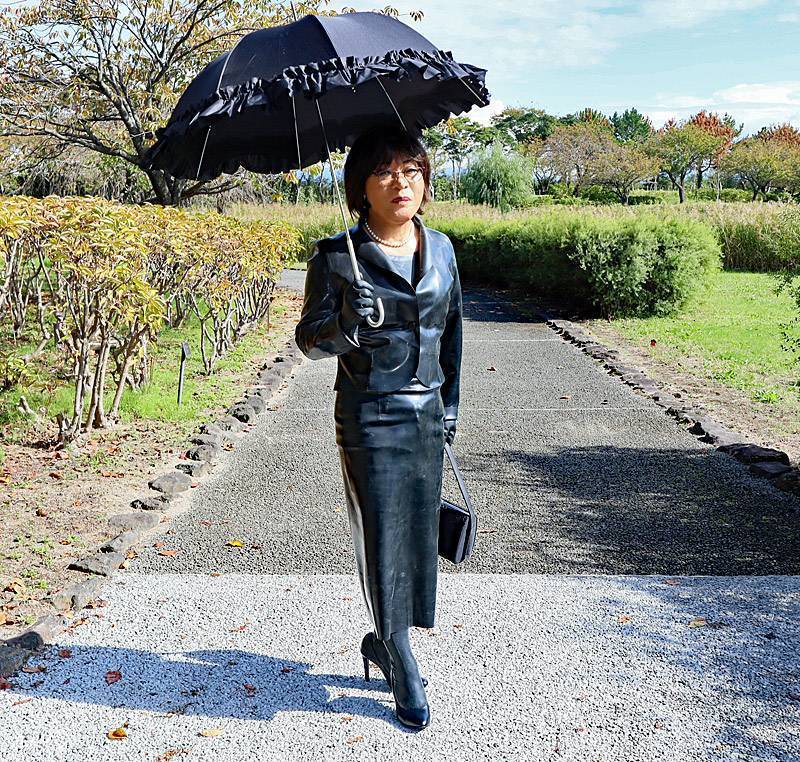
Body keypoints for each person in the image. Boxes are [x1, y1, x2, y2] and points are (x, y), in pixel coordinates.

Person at [294, 124, 463, 730]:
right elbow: (308, 341)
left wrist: (450, 407)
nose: (401, 183)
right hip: (369, 415)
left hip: (426, 412)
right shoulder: (336, 256)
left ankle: (386, 639)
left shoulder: (441, 248)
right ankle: (400, 653)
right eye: (385, 172)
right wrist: (344, 323)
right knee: (382, 534)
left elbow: (451, 333)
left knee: (417, 534)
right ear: (360, 187)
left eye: (412, 170)